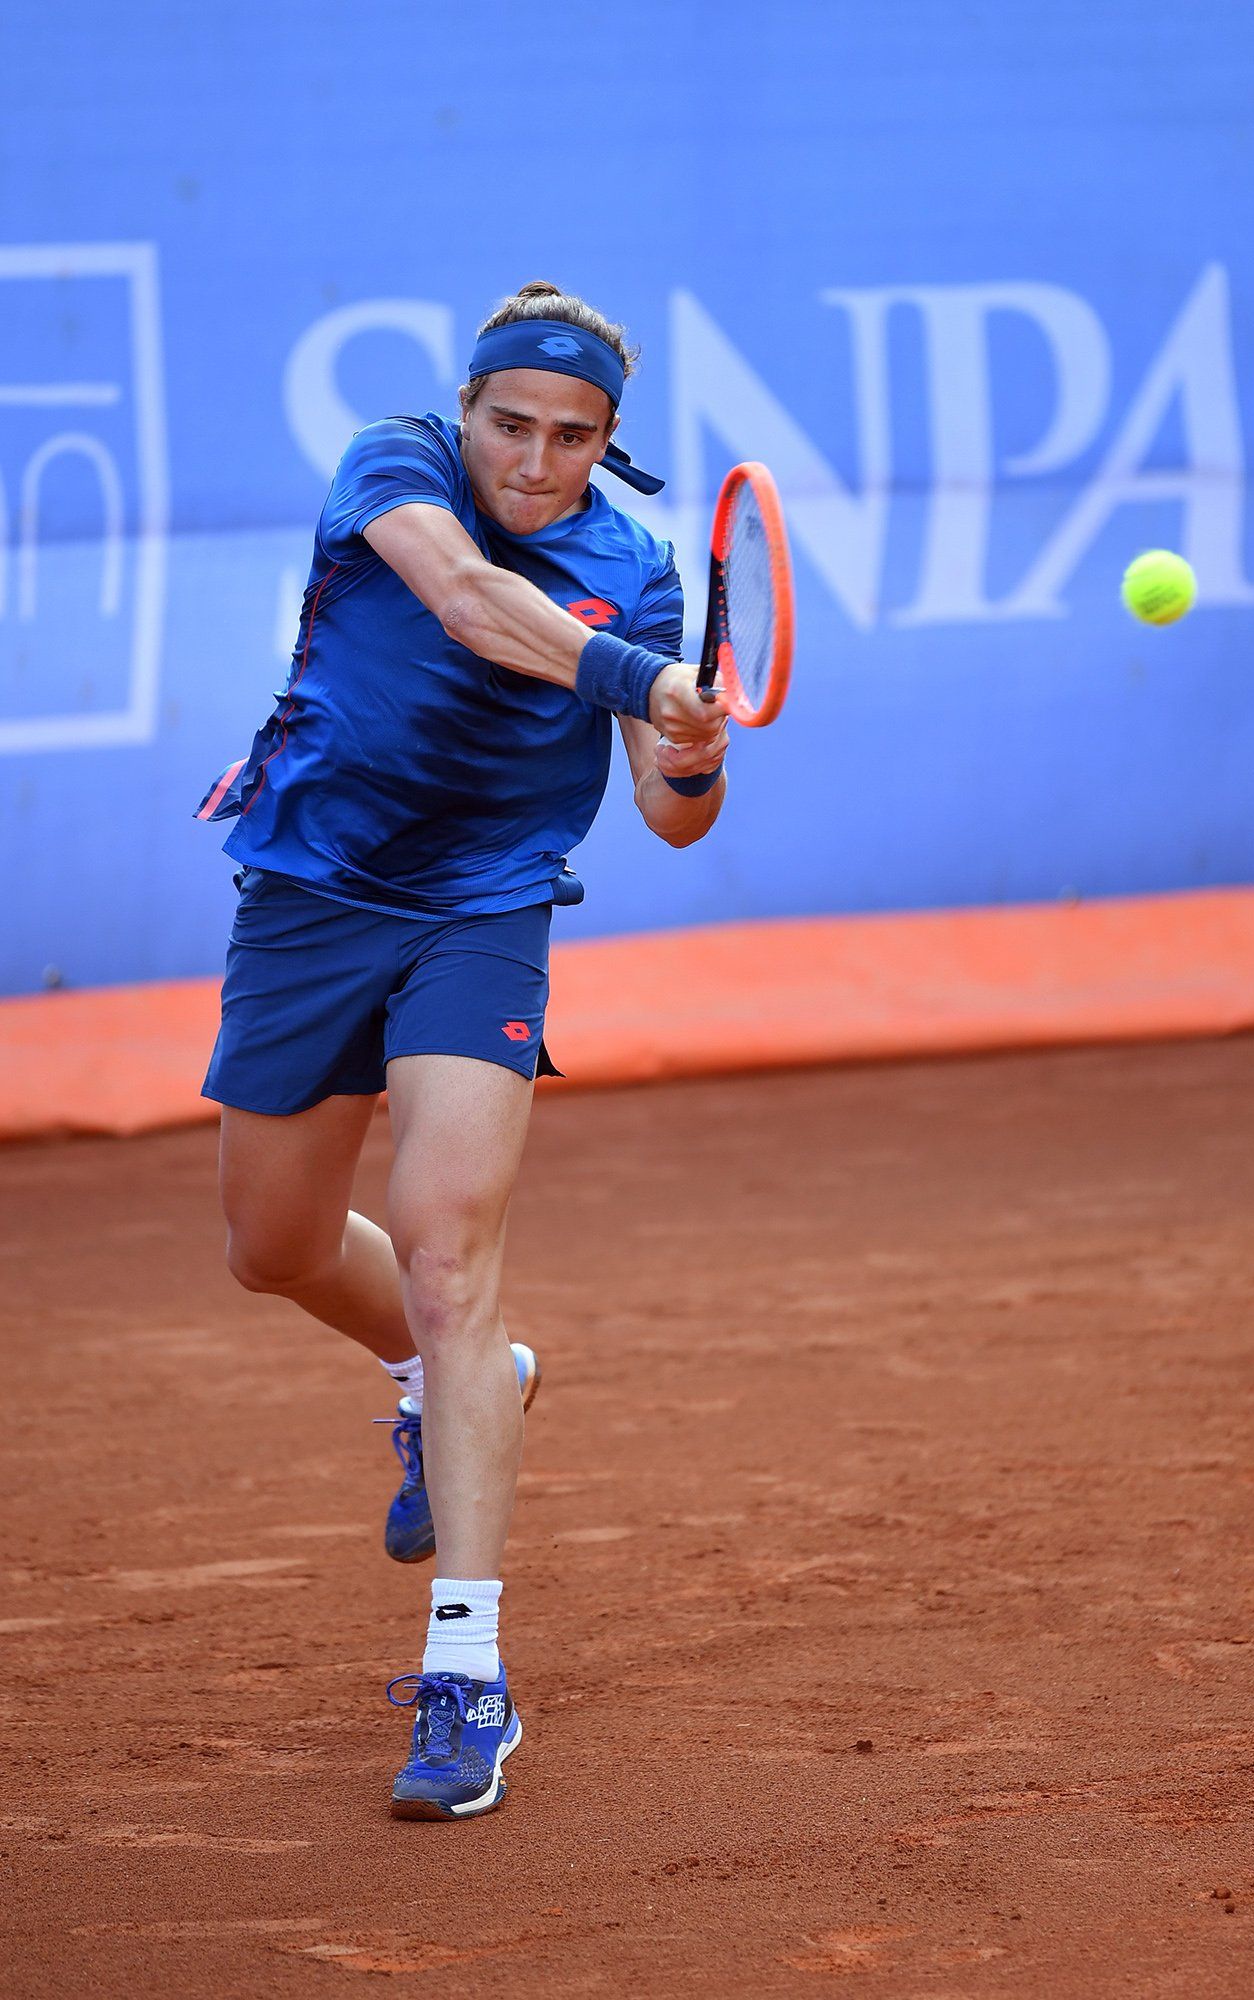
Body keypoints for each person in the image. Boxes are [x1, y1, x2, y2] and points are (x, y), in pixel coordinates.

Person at [194, 280, 728, 1819]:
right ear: (469, 407)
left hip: (483, 911)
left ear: (608, 444)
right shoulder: (395, 461)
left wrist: (690, 754)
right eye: (514, 424)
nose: (536, 460)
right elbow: (468, 605)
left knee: (446, 1250)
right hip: (309, 889)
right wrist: (640, 683)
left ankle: (465, 1677)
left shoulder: (635, 570)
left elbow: (669, 816)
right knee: (270, 1244)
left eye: (573, 438)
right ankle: (458, 1380)